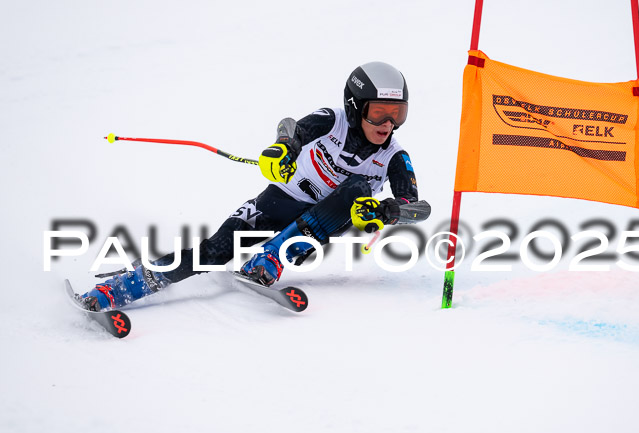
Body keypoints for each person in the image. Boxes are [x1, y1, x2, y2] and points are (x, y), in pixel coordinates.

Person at [78, 62, 432, 311]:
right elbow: (291, 126)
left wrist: (388, 210)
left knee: (357, 190)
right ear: (355, 108)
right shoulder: (332, 121)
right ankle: (121, 288)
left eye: (397, 114)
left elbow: (418, 208)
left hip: (321, 221)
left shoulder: (394, 156)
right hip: (279, 200)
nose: (388, 124)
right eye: (379, 112)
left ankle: (271, 259)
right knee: (214, 251)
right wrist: (283, 147)